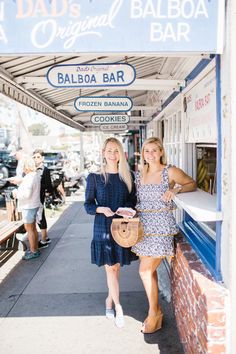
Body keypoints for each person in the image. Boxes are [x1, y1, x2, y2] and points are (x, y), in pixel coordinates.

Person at [131, 137, 197, 334]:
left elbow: (191, 183)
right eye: (147, 151)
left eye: (154, 150)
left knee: (144, 271)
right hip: (143, 227)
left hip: (161, 227)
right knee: (148, 272)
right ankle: (156, 312)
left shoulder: (170, 171)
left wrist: (174, 189)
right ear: (143, 154)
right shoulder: (139, 174)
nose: (150, 154)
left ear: (161, 152)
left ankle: (153, 313)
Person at [84, 137, 138, 328]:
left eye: (116, 150)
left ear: (121, 153)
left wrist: (127, 209)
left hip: (122, 228)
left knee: (115, 268)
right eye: (109, 150)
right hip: (102, 227)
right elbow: (88, 205)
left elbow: (133, 201)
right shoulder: (95, 177)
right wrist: (101, 209)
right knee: (111, 268)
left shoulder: (128, 176)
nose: (113, 154)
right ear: (103, 153)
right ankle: (118, 307)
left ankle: (109, 299)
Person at [12, 156, 41, 260]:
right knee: (33, 229)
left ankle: (33, 251)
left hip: (29, 206)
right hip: (33, 205)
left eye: (23, 166)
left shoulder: (30, 177)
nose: (23, 168)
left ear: (27, 167)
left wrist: (16, 193)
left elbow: (26, 194)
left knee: (30, 230)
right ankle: (35, 249)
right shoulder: (35, 175)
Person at [33, 149, 53, 249]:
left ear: (42, 158)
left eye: (38, 157)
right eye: (34, 157)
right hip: (34, 197)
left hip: (39, 197)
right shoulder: (33, 169)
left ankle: (44, 240)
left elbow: (49, 185)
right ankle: (45, 237)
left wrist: (45, 192)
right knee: (38, 217)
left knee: (40, 217)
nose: (36, 159)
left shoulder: (45, 170)